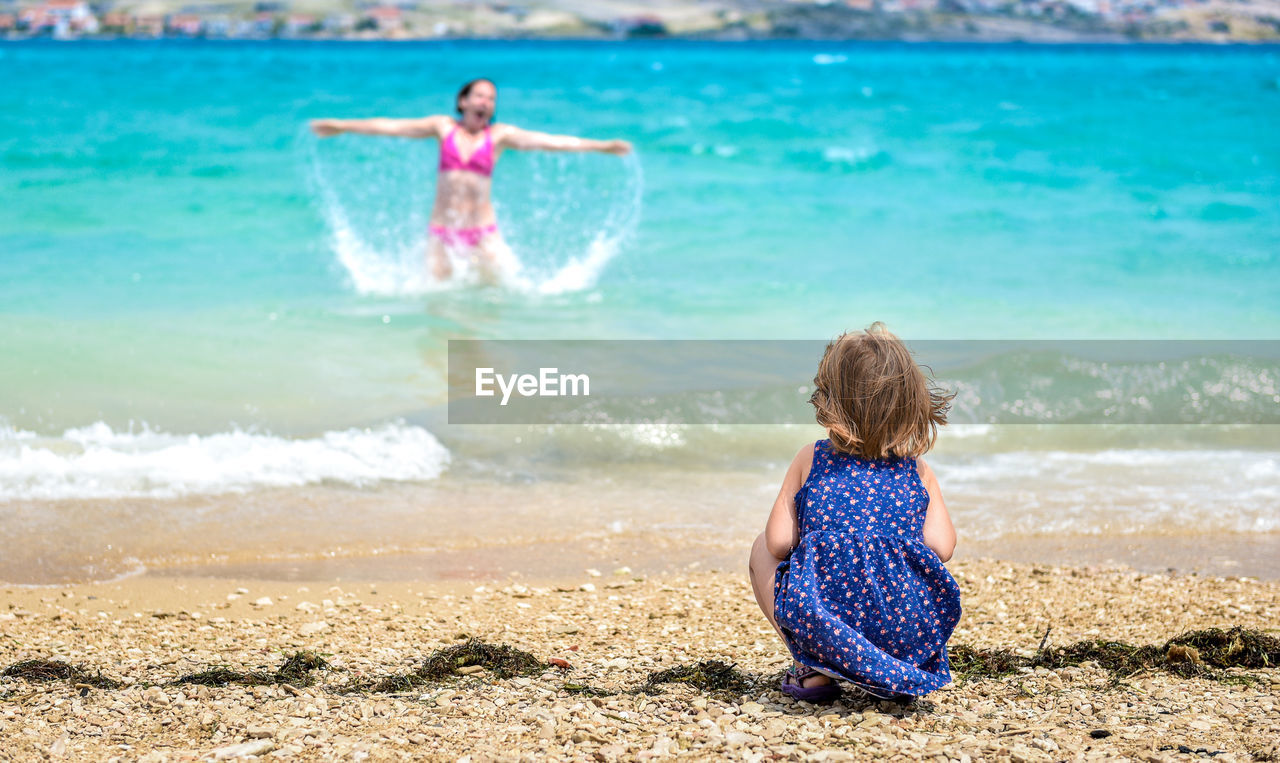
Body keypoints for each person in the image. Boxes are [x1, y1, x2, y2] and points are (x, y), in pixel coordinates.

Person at [748, 322, 961, 704]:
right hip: (903, 635)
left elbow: (779, 543)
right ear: (909, 400)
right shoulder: (917, 469)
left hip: (823, 626)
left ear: (829, 398)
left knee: (760, 551)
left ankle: (810, 667)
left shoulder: (812, 457)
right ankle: (892, 664)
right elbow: (942, 548)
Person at [310, 78, 632, 284]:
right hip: (441, 231)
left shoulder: (500, 136)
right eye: (479, 96)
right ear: (463, 101)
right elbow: (391, 126)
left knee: (505, 292)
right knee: (438, 300)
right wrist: (342, 125)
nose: (485, 103)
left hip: (483, 232)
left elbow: (550, 141)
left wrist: (602, 147)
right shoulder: (442, 127)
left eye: (491, 99)